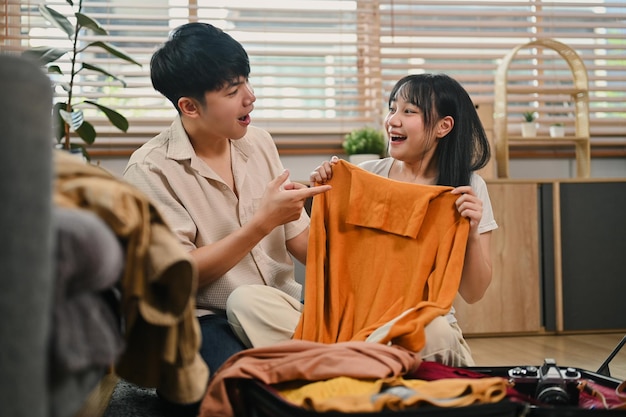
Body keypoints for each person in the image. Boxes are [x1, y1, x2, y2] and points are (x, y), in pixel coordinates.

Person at [123, 22, 331, 380]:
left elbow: (303, 244)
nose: (250, 96)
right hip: (205, 317)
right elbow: (178, 275)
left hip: (280, 304)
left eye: (246, 81)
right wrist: (261, 224)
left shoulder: (260, 142)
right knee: (229, 387)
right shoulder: (150, 170)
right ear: (190, 106)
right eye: (234, 90)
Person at [308, 73, 497, 367]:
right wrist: (320, 195)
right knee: (250, 304)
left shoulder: (467, 187)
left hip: (421, 330)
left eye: (409, 111)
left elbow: (474, 293)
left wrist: (471, 233)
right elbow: (329, 263)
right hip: (353, 322)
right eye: (393, 108)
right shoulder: (366, 175)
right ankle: (357, 356)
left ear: (443, 127)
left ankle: (345, 359)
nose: (392, 120)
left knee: (428, 329)